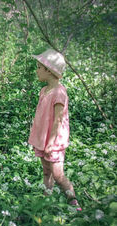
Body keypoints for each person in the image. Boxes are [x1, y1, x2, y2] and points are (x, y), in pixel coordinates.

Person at [28, 48, 81, 211]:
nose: (36, 70)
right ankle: (47, 199)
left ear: (49, 71)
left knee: (58, 174)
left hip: (53, 141)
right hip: (43, 139)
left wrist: (51, 142)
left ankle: (73, 200)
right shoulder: (44, 90)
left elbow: (58, 121)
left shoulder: (59, 93)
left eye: (39, 67)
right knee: (46, 172)